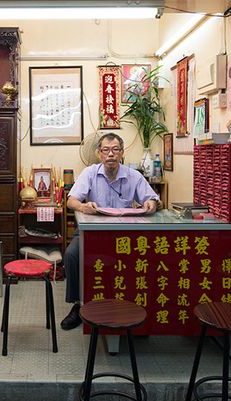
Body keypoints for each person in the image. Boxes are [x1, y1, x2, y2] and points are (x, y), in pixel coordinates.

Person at [61, 133, 160, 331]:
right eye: (106, 150)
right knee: (72, 254)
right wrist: (83, 207)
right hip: (91, 234)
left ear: (122, 153)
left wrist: (152, 203)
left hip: (125, 235)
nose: (111, 154)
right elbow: (71, 201)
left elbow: (154, 199)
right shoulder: (90, 173)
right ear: (99, 154)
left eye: (115, 149)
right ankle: (78, 303)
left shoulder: (134, 176)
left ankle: (137, 305)